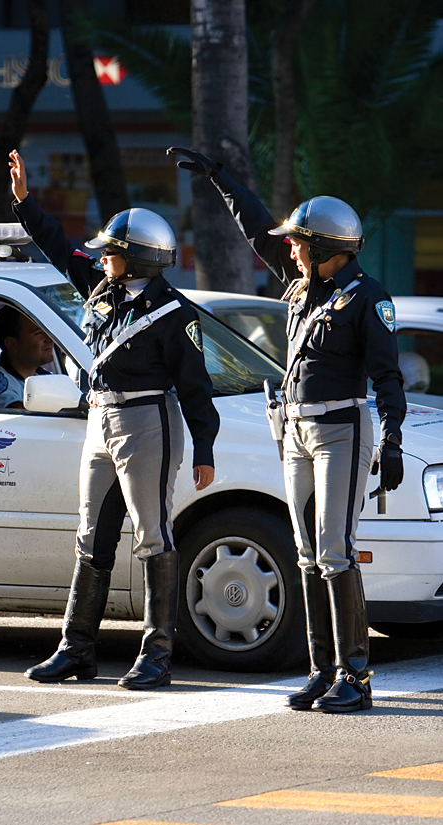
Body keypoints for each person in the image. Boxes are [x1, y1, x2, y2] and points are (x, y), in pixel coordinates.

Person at [167, 147, 406, 713]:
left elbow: (389, 377)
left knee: (334, 550)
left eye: (300, 242)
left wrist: (392, 438)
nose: (291, 250)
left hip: (341, 430)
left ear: (327, 248)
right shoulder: (303, 289)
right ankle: (323, 670)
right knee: (304, 553)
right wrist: (222, 180)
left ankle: (356, 674)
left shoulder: (367, 299)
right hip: (295, 431)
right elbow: (258, 232)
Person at [9, 149, 219, 690]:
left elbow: (196, 388)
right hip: (101, 419)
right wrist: (25, 204)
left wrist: (204, 449)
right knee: (90, 536)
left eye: (112, 253)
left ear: (137, 260)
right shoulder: (102, 291)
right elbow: (61, 250)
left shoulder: (174, 314)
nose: (102, 259)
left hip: (147, 419)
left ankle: (157, 656)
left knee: (151, 537)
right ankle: (76, 649)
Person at [0, 306, 53, 408]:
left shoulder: (41, 376)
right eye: (38, 333)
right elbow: (23, 418)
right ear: (12, 344)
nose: (50, 339)